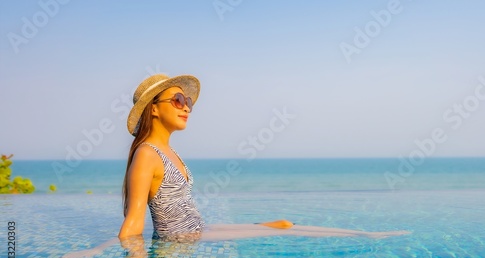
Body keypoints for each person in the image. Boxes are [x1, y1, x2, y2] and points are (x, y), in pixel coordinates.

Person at [118, 73, 410, 242]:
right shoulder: (147, 154)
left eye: (188, 101)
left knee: (281, 224)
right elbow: (133, 225)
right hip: (183, 240)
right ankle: (365, 237)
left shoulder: (169, 152)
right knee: (279, 232)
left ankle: (363, 234)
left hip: (198, 229)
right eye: (178, 100)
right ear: (153, 109)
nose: (187, 107)